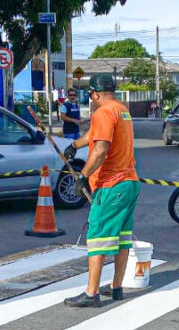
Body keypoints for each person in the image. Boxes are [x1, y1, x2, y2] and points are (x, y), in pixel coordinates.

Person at [61, 74, 140, 308]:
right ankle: (116, 287)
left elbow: (101, 149)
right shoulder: (121, 110)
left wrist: (83, 176)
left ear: (94, 94)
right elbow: (96, 137)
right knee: (122, 237)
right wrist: (74, 146)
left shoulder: (103, 112)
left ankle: (91, 293)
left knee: (97, 237)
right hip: (129, 183)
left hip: (111, 185)